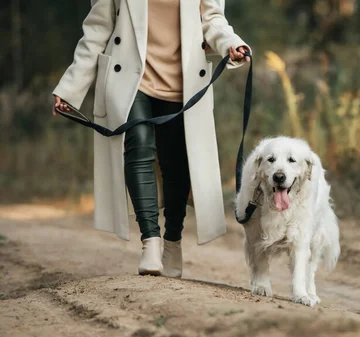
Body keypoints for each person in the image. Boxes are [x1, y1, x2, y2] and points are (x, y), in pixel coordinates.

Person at [52, 0, 251, 278]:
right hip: (132, 80)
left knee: (176, 162)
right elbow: (97, 29)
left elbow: (212, 19)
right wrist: (71, 88)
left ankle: (172, 240)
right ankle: (151, 242)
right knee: (139, 147)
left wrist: (230, 43)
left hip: (183, 81)